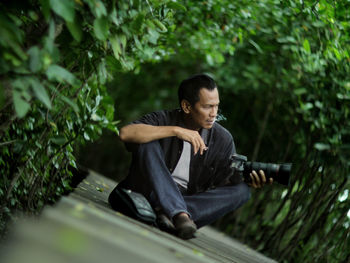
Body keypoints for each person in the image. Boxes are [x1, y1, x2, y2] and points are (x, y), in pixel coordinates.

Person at [112, 74, 272, 239]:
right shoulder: (163, 119)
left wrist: (249, 178)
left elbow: (225, 179)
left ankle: (170, 213)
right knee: (147, 141)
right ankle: (178, 214)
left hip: (185, 199)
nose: (214, 113)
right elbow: (125, 133)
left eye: (216, 106)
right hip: (145, 193)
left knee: (242, 191)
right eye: (207, 107)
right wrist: (176, 130)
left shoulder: (222, 139)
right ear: (187, 106)